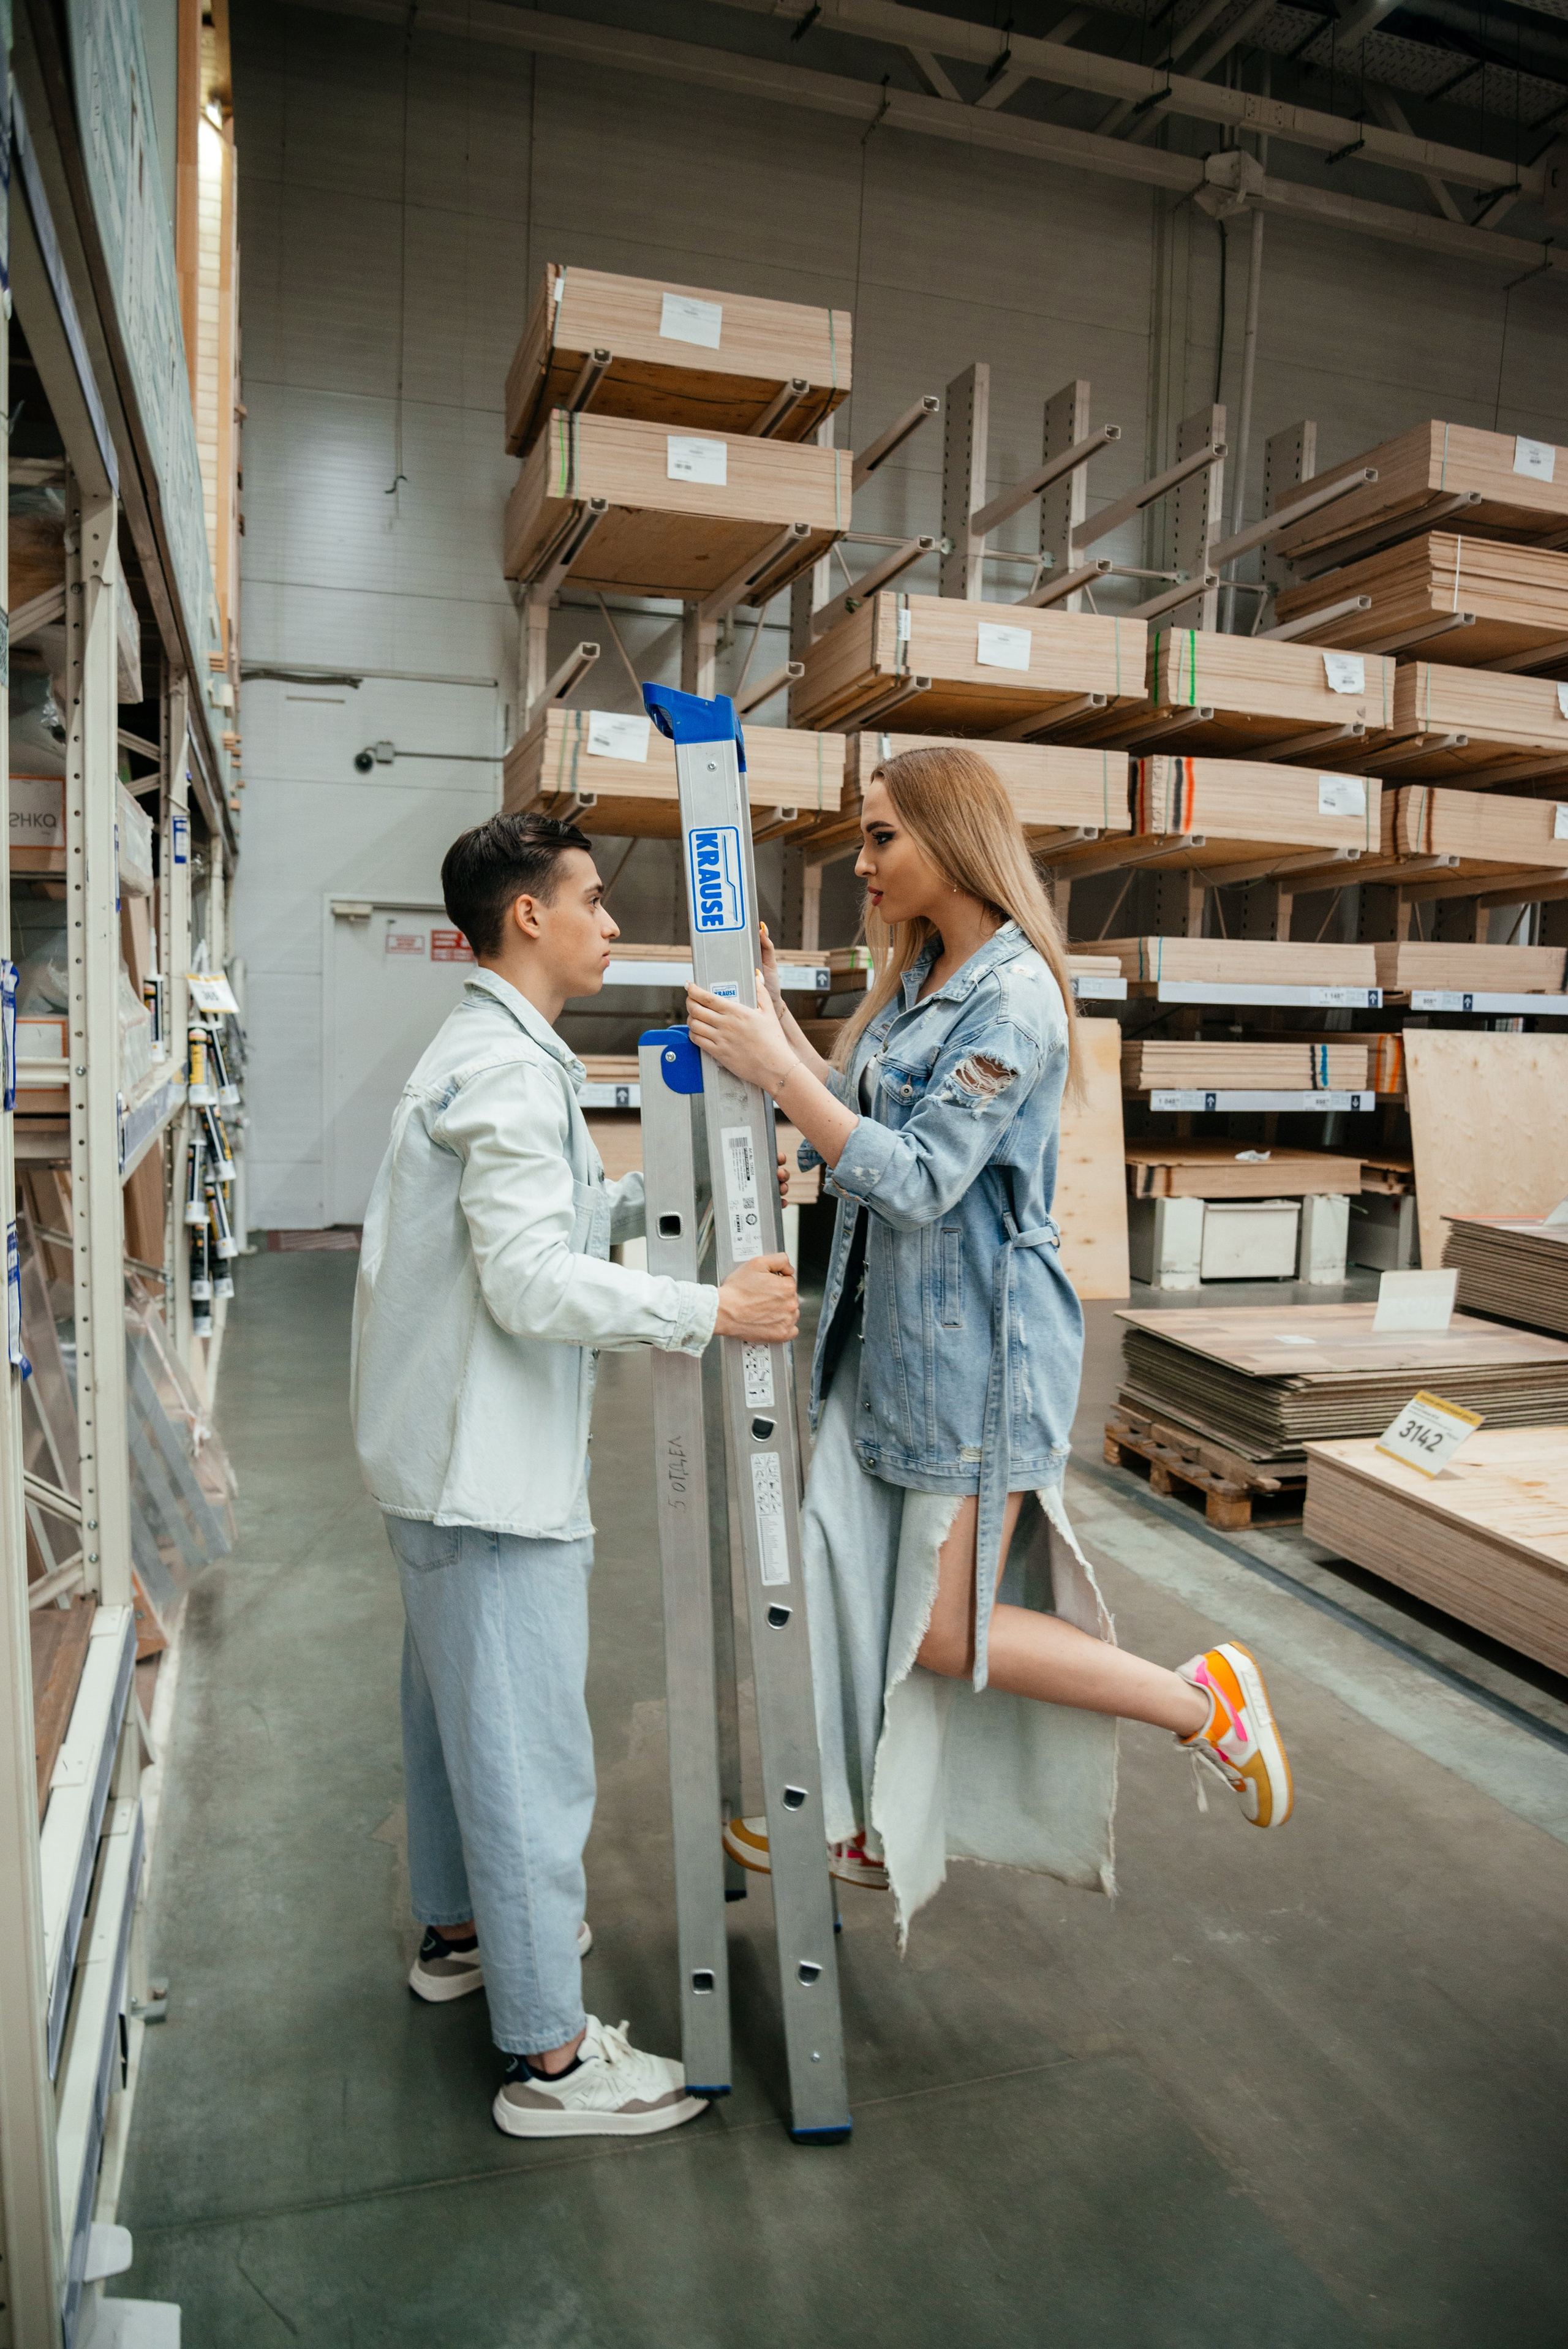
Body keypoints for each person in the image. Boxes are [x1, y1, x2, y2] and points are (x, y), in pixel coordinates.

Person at [687, 746, 1292, 1941]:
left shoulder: (1008, 999)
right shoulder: (920, 977)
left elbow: (914, 1177)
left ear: (950, 844)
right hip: (878, 1347)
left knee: (945, 1630)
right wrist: (775, 1035)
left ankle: (1197, 1703)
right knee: (843, 1575)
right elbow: (862, 1116)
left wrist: (778, 1074)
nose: (858, 862)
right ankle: (851, 1814)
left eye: (879, 839)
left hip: (974, 1369)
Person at [350, 810, 799, 2134]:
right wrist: (709, 1313)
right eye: (594, 899)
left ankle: (459, 1937)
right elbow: (530, 1280)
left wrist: (693, 1210)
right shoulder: (498, 1068)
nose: (611, 922)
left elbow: (554, 1224)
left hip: (437, 1460)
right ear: (528, 916)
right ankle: (549, 2060)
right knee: (525, 1755)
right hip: (485, 1473)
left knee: (449, 1728)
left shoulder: (498, 1052)